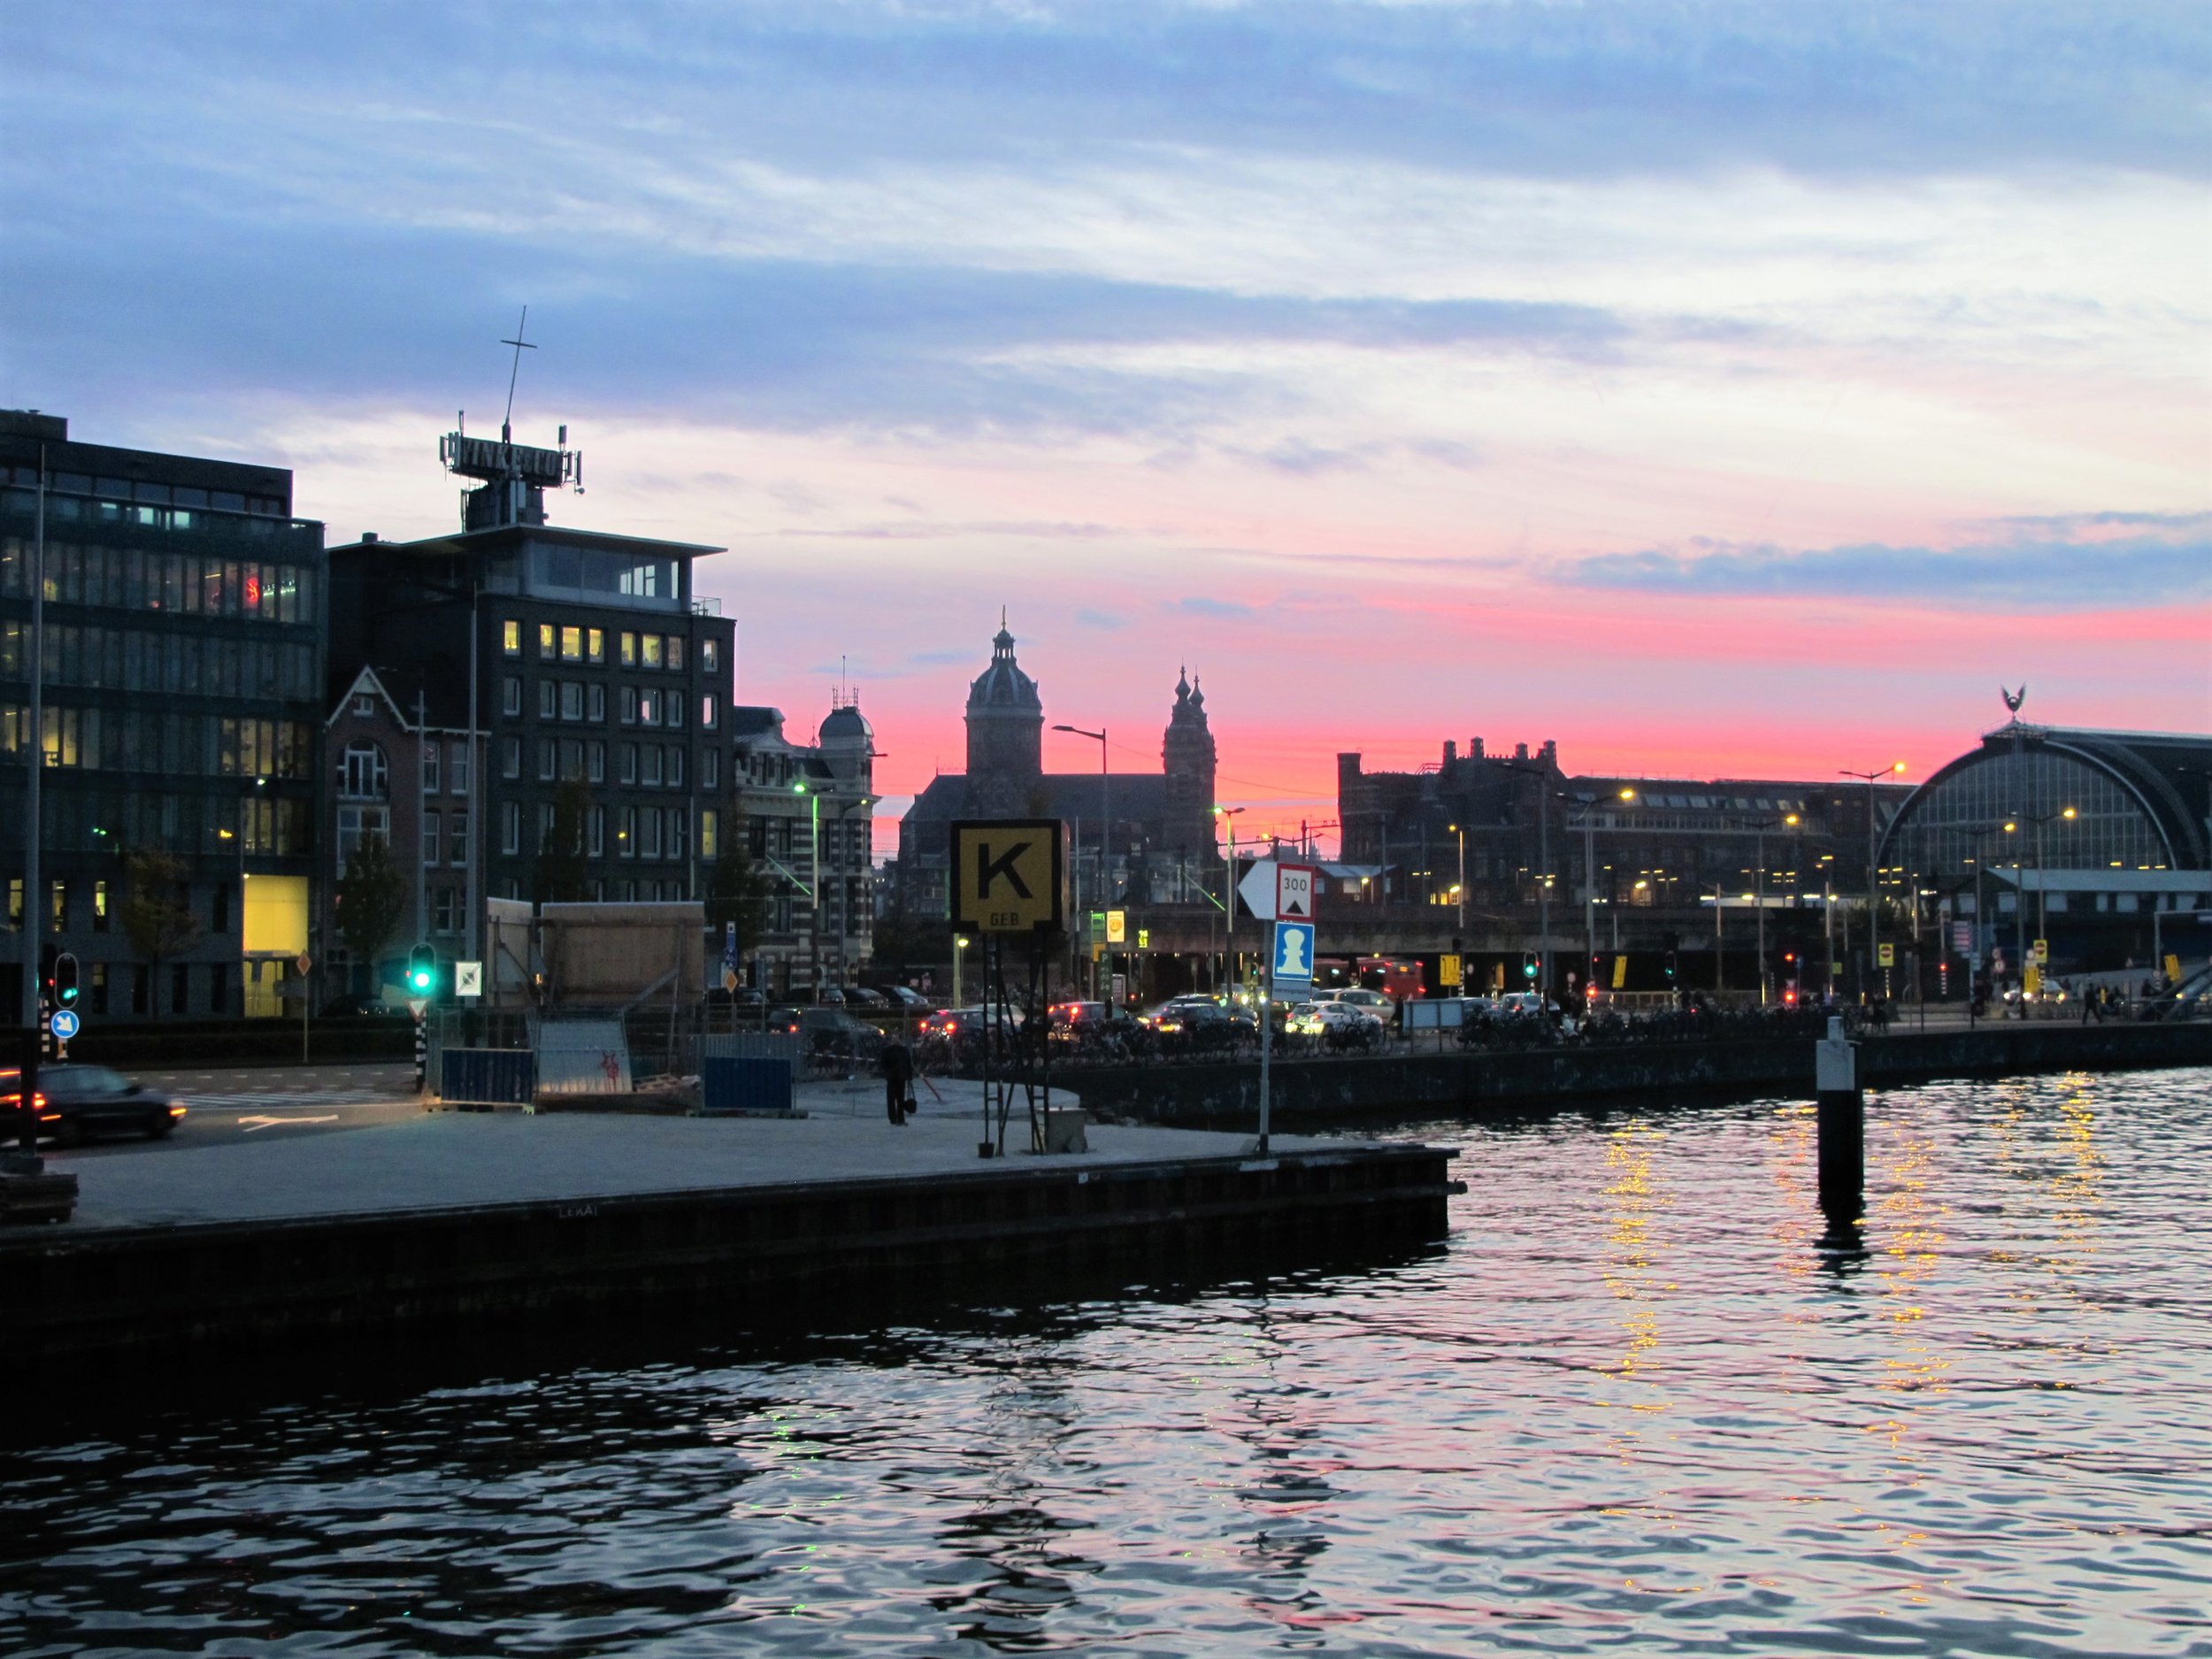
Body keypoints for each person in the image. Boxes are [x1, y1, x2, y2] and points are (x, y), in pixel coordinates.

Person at [879, 1037, 914, 1125]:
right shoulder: (893, 1051)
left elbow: (908, 1064)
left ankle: (899, 1119)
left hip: (898, 1077)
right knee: (894, 1099)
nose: (896, 1040)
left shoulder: (902, 1051)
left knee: (899, 1099)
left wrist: (909, 1076)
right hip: (895, 1077)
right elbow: (883, 1064)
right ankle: (895, 1119)